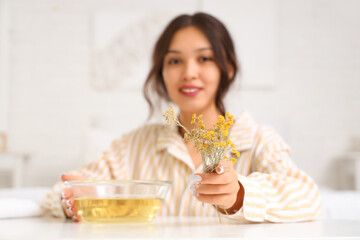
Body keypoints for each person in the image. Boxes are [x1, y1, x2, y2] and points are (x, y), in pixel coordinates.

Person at [41, 12, 322, 223]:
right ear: (161, 73)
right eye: (174, 61)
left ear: (229, 68)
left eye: (204, 59)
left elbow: (308, 198)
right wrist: (74, 200)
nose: (189, 72)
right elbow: (55, 195)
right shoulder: (135, 145)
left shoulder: (257, 139)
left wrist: (239, 195)